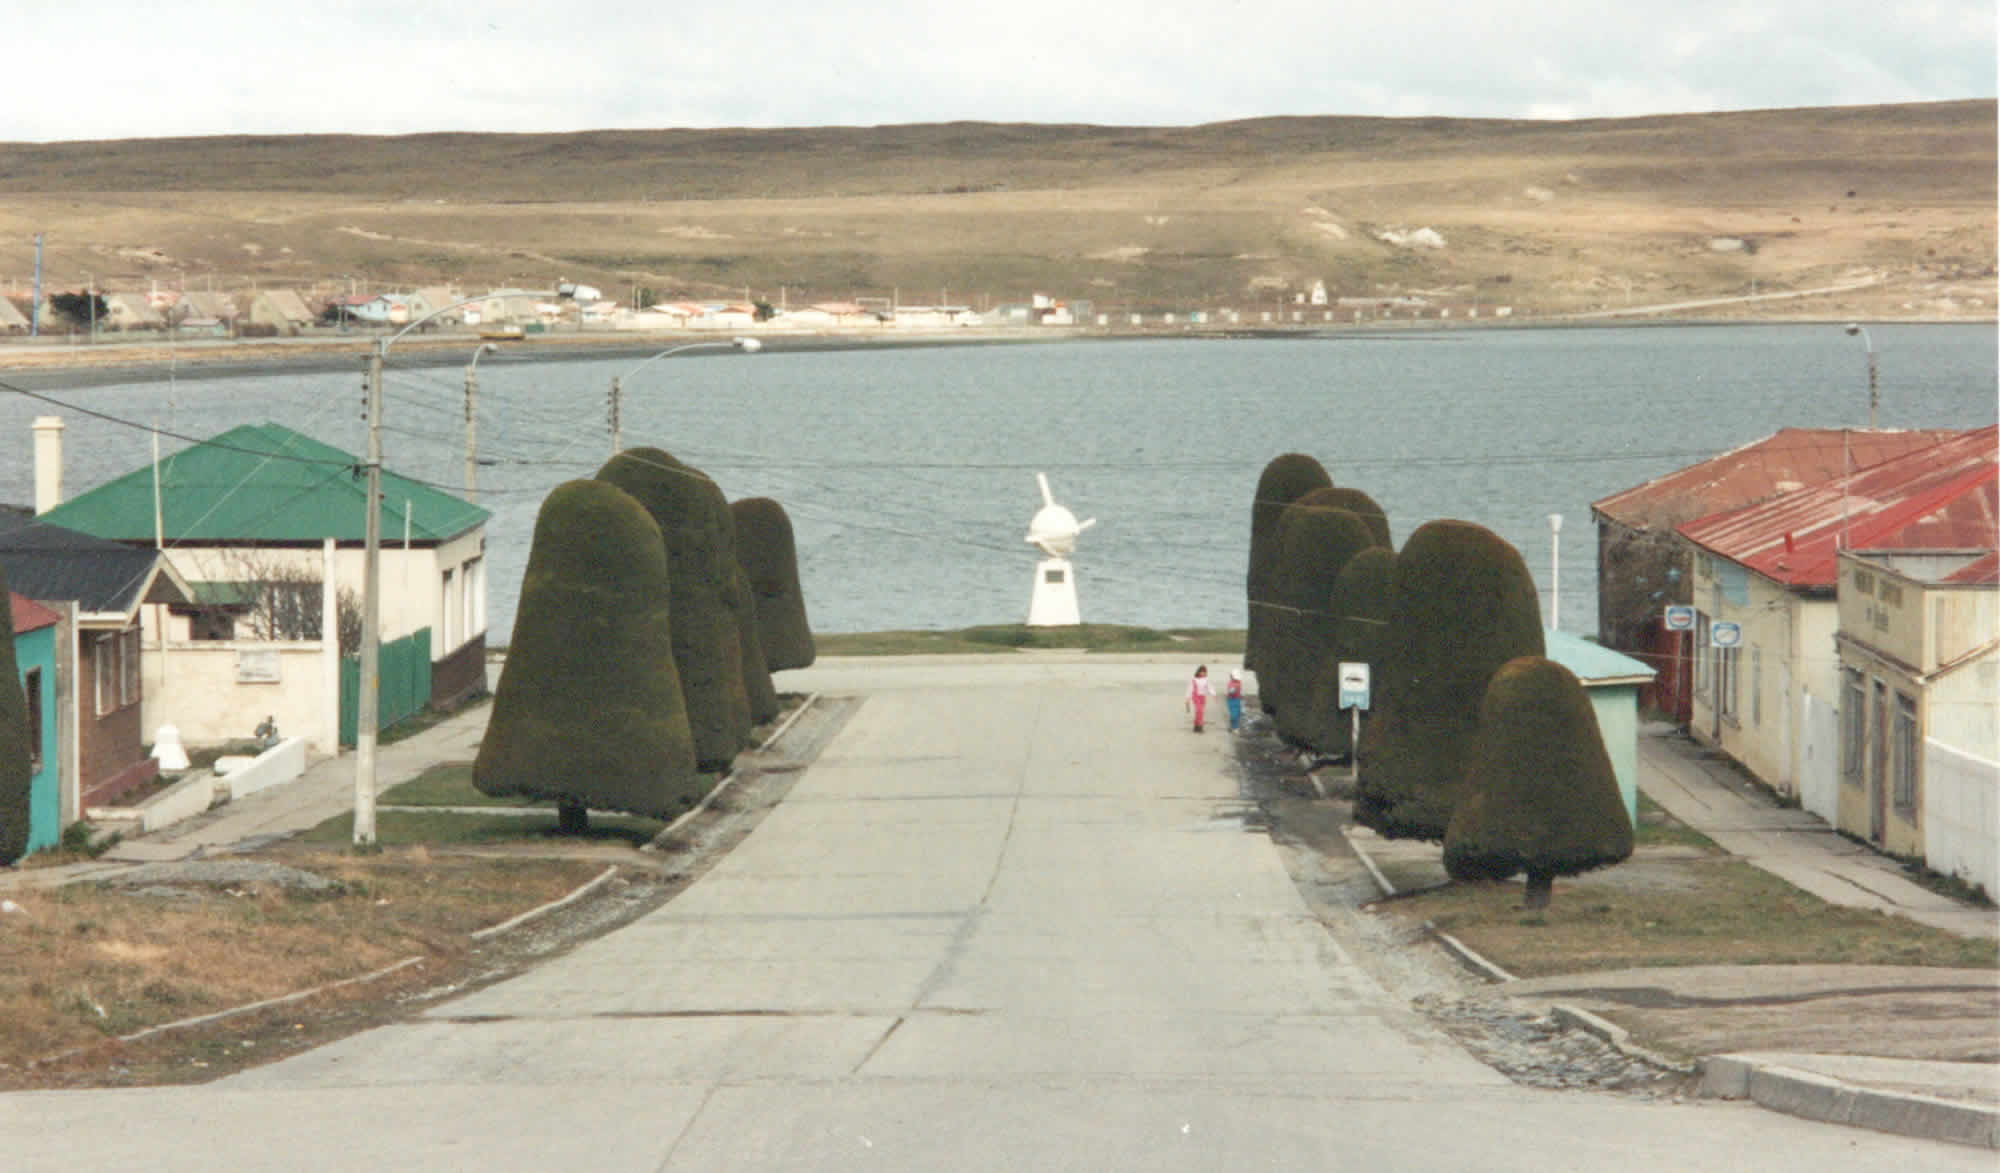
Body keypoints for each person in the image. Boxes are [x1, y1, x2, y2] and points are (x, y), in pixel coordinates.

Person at [1186, 665, 1214, 732]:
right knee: (1199, 710)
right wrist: (1187, 698)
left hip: (1202, 697)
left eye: (1205, 672)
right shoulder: (1194, 680)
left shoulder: (1206, 680)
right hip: (1196, 697)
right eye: (1202, 672)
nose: (1203, 673)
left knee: (1200, 712)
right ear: (1198, 672)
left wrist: (1213, 694)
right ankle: (1200, 726)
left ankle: (1196, 725)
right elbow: (1190, 689)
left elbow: (1210, 687)